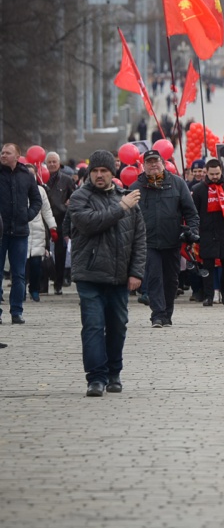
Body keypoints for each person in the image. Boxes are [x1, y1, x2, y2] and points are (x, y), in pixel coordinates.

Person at [68, 150, 146, 396]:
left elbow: (139, 238)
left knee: (117, 326)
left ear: (113, 173)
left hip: (119, 277)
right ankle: (96, 378)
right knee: (93, 326)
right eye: (95, 171)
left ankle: (114, 373)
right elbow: (89, 224)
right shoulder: (80, 197)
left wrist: (136, 273)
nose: (99, 175)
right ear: (89, 173)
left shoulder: (127, 200)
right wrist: (121, 208)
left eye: (104, 171)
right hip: (89, 276)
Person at [131, 149, 199, 327]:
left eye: (156, 161)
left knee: (171, 280)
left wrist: (192, 231)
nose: (153, 165)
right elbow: (128, 216)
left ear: (163, 163)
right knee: (154, 278)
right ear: (143, 165)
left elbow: (191, 212)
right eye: (149, 162)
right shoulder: (135, 187)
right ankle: (157, 315)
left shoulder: (177, 183)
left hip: (172, 240)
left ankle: (167, 314)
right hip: (148, 242)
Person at [189, 159, 224, 306]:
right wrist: (193, 231)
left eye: (217, 173)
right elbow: (193, 213)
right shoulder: (198, 190)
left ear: (221, 171)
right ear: (206, 173)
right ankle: (208, 295)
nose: (215, 176)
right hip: (206, 232)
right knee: (207, 265)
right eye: (212, 174)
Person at [1, 143, 43, 324]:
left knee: (18, 274)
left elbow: (36, 199)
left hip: (19, 232)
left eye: (7, 153)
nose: (3, 155)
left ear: (17, 156)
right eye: (2, 152)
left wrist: (28, 215)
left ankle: (16, 311)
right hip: (0, 232)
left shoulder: (26, 175)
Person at [44, 152, 76, 295]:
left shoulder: (67, 180)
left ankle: (59, 283)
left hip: (61, 219)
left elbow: (74, 196)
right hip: (44, 220)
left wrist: (69, 203)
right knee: (42, 252)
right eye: (49, 162)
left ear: (58, 163)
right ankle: (42, 284)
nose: (51, 164)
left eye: (54, 162)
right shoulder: (41, 178)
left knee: (60, 253)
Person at [24, 163, 57, 301]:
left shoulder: (40, 191)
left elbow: (47, 210)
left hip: (37, 230)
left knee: (36, 264)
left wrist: (52, 227)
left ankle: (35, 289)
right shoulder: (18, 190)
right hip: (21, 230)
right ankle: (20, 291)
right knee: (21, 266)